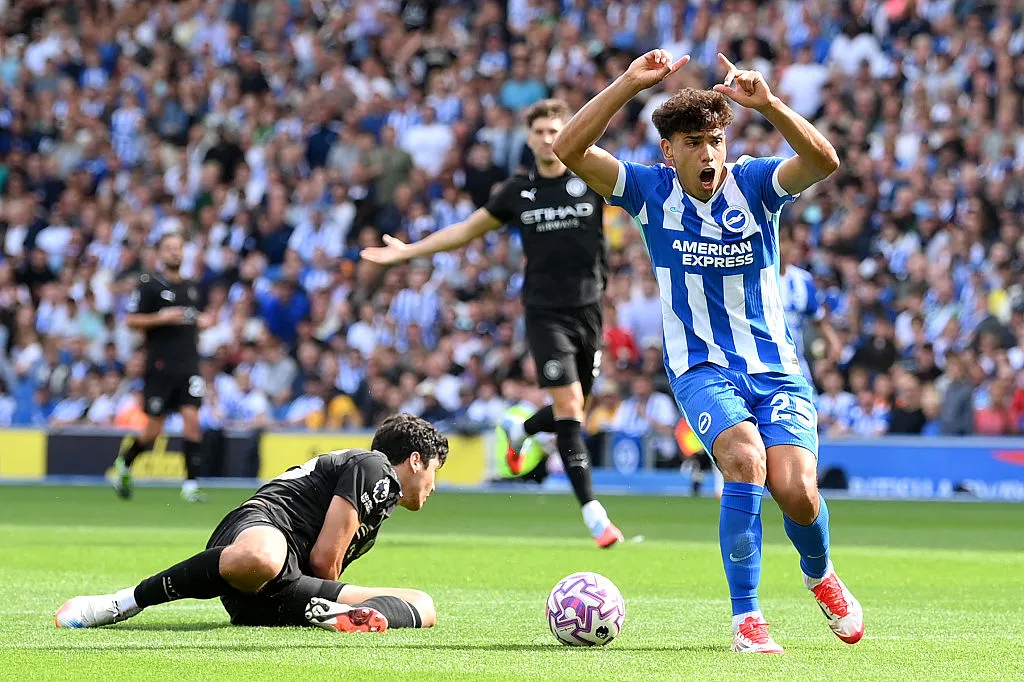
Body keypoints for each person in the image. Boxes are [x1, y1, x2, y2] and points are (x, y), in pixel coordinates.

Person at [551, 49, 863, 653]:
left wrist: (769, 104)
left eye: (715, 140)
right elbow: (569, 149)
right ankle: (747, 618)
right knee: (745, 460)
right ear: (669, 152)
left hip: (776, 368)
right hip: (700, 368)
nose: (708, 154)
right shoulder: (648, 190)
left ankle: (820, 573)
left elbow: (824, 161)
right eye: (693, 143)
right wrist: (627, 84)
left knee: (797, 492)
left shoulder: (754, 184)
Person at [361, 99, 622, 548]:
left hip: (589, 310)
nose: (548, 138)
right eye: (539, 131)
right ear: (528, 139)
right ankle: (593, 513)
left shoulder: (591, 179)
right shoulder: (518, 191)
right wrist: (409, 251)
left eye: (555, 130)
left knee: (577, 406)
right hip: (545, 313)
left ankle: (521, 429)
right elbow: (465, 230)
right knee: (569, 408)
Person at [56, 413, 443, 633]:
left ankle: (351, 617)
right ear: (415, 461)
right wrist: (327, 591)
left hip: (279, 592)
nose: (433, 486)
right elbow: (325, 558)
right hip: (259, 530)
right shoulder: (374, 467)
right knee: (263, 557)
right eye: (434, 471)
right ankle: (122, 602)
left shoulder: (380, 498)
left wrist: (322, 598)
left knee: (423, 605)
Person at [114, 233, 212, 502]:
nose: (175, 252)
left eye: (178, 248)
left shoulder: (192, 287)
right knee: (153, 430)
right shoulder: (149, 285)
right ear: (159, 254)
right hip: (160, 367)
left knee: (192, 420)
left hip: (189, 365)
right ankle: (125, 462)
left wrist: (204, 322)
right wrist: (161, 318)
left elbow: (200, 319)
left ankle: (190, 485)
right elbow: (131, 320)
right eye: (169, 248)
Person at [778, 227, 840, 388]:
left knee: (808, 400)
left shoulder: (803, 280)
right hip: (762, 362)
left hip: (794, 360)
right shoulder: (755, 279)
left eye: (783, 240)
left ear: (792, 244)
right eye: (775, 240)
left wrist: (833, 343)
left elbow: (817, 318)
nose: (779, 246)